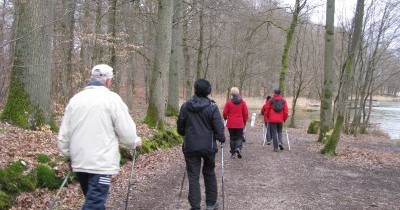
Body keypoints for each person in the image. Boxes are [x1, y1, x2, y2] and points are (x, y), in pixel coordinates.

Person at [57, 64, 142, 210]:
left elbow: (64, 135)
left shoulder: (75, 100)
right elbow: (126, 131)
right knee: (94, 204)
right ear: (108, 81)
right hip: (101, 164)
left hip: (79, 163)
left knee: (94, 201)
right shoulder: (112, 99)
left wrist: (69, 155)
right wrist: (134, 142)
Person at [177, 79, 225, 210]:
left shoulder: (186, 106)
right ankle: (211, 204)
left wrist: (187, 133)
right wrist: (221, 138)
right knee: (209, 172)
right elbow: (219, 129)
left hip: (191, 146)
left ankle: (195, 206)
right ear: (208, 91)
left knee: (193, 176)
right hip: (208, 147)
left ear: (195, 90)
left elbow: (180, 129)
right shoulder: (212, 107)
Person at [223, 87, 248, 159]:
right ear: (238, 93)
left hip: (231, 123)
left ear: (231, 93)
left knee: (232, 138)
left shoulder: (229, 103)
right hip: (239, 123)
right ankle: (238, 148)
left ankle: (233, 153)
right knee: (239, 137)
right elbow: (245, 113)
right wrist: (244, 121)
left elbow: (224, 113)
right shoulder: (243, 102)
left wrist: (225, 118)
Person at [265, 87, 289, 152]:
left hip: (272, 119)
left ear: (274, 92)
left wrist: (267, 117)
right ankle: (280, 143)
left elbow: (267, 109)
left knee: (274, 132)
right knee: (280, 131)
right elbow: (286, 111)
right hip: (280, 119)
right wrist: (284, 118)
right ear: (280, 92)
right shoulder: (283, 101)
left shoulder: (271, 100)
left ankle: (276, 148)